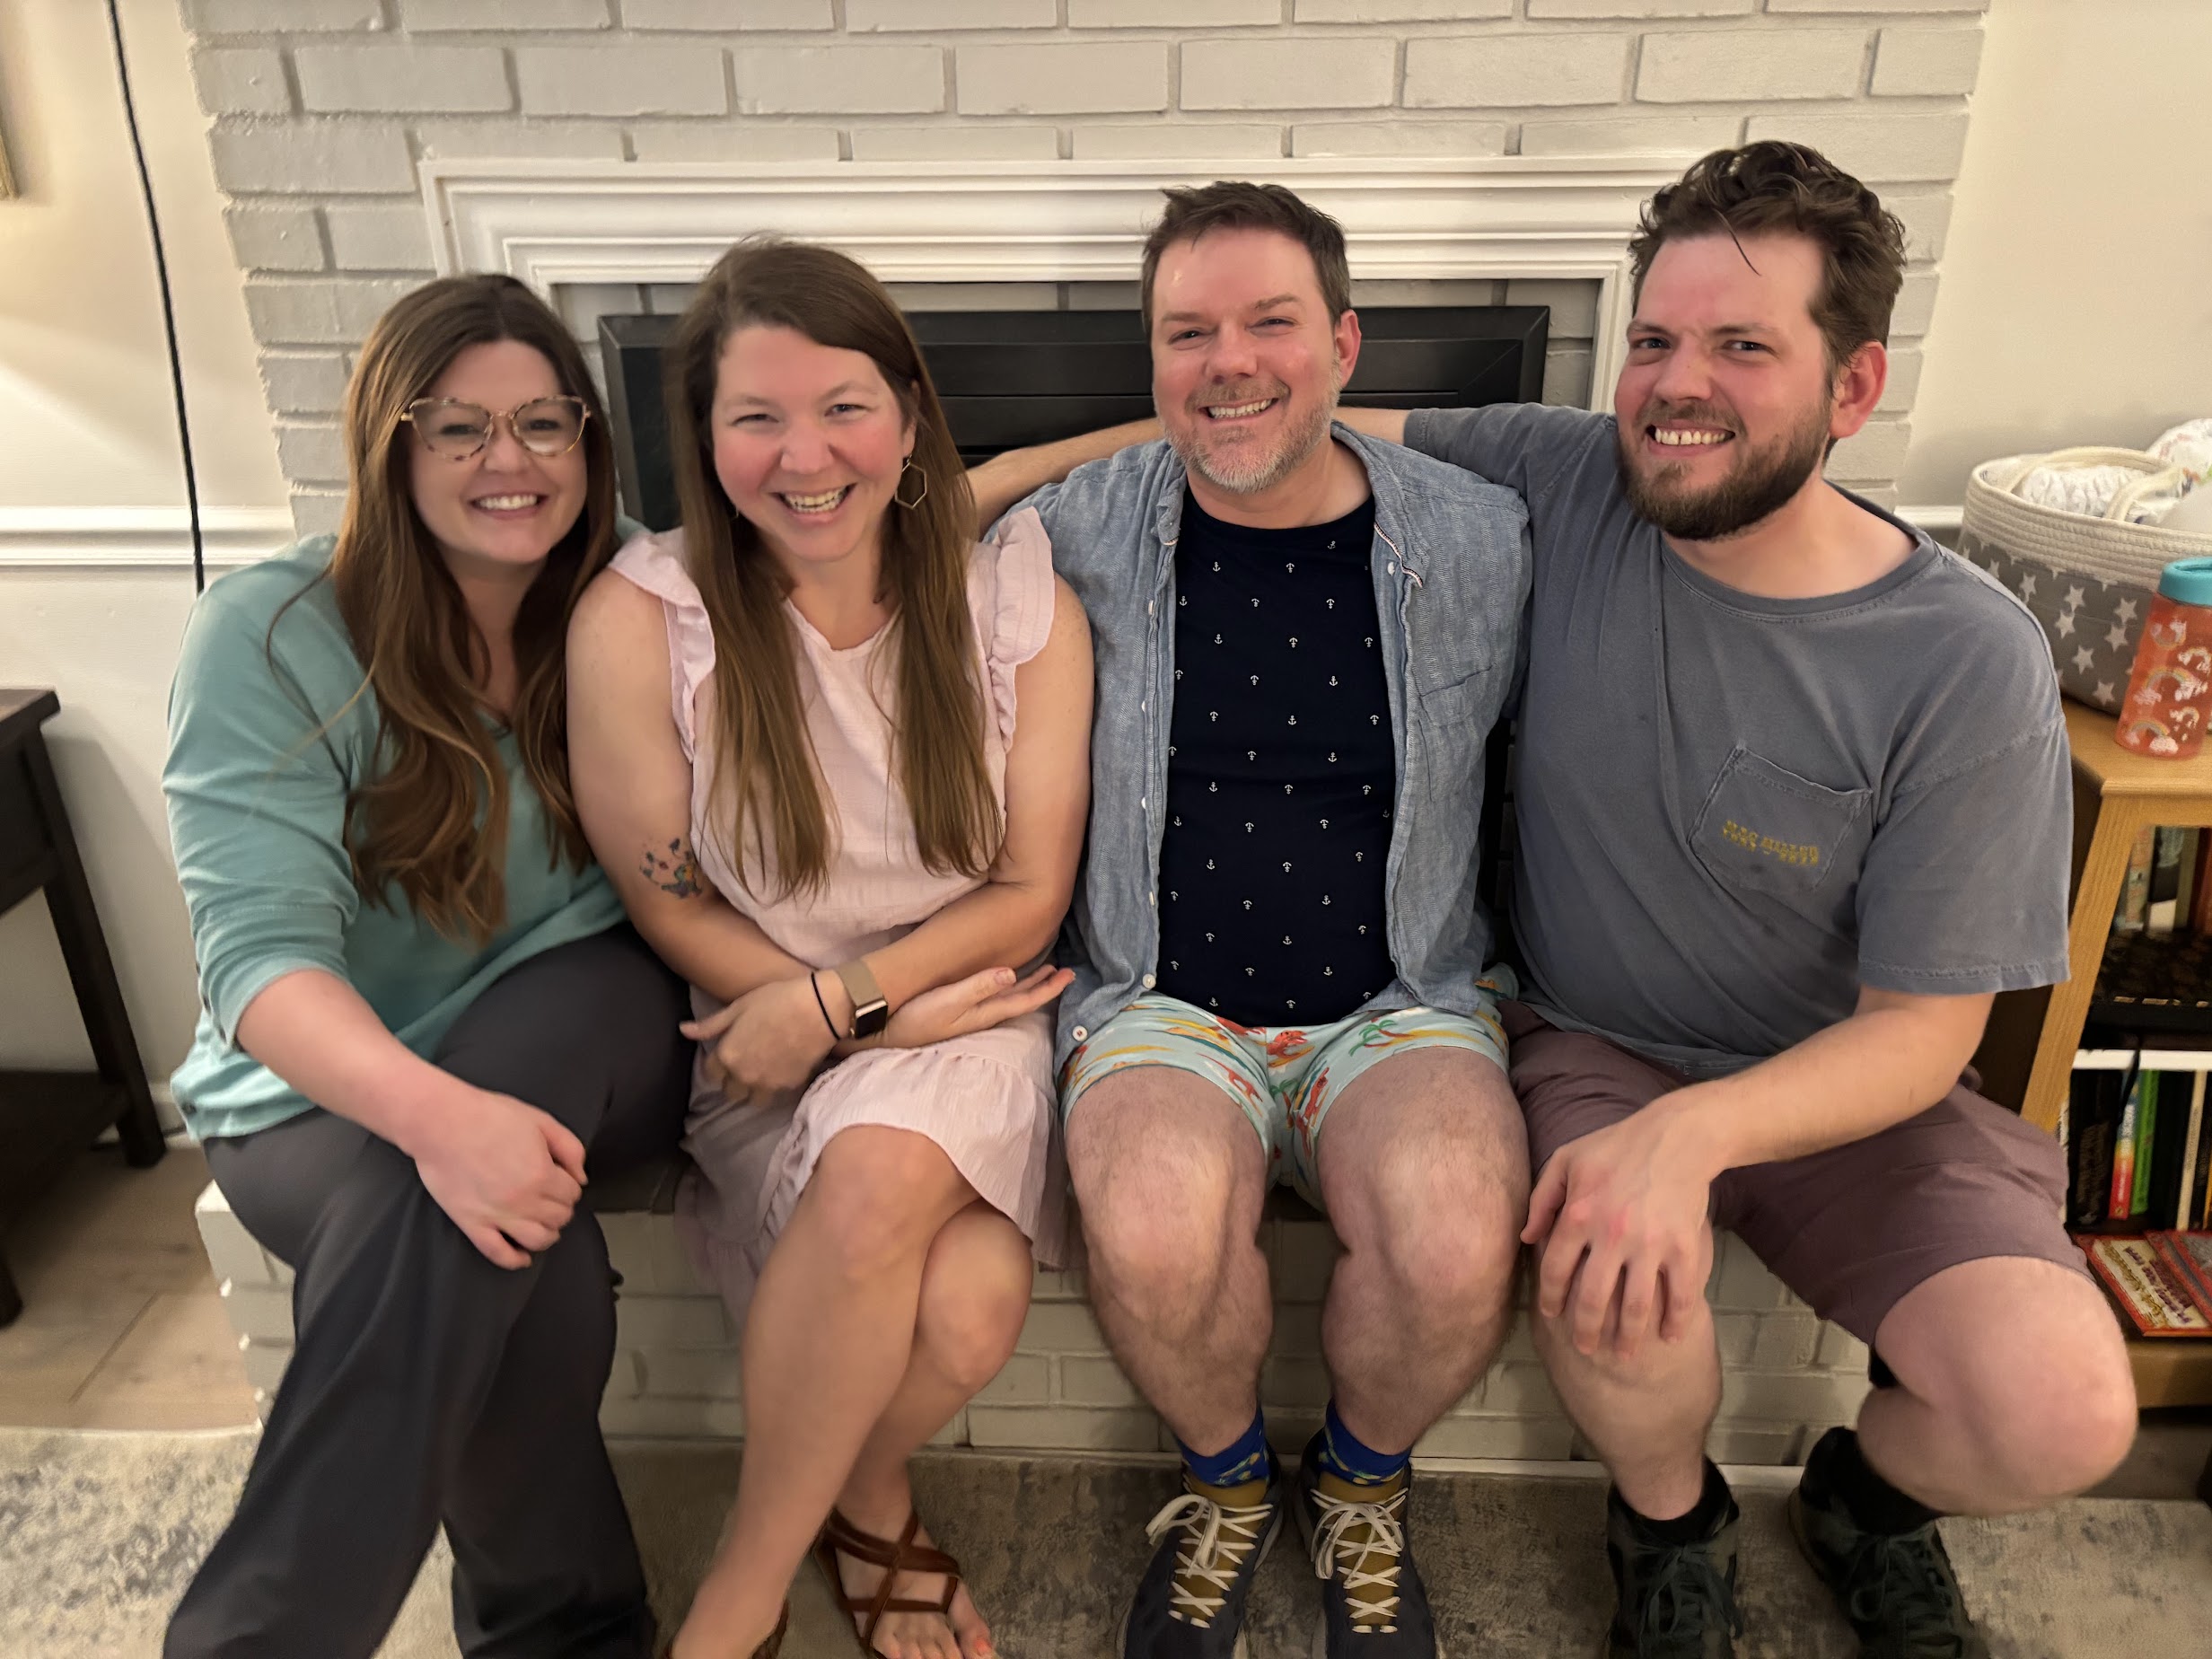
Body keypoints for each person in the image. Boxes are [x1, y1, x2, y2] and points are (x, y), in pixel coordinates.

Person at [1328, 142, 2135, 1658]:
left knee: (2063, 1408)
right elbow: (1272, 418)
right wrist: (987, 480)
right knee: (1615, 1277)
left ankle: (1861, 1500)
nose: (1674, 383)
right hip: (1596, 1040)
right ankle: (1670, 1520)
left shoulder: (1969, 658)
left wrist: (1697, 1136)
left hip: (1853, 1084)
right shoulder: (1567, 477)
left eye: (1743, 346)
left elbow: (1919, 1033)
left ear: (1853, 386)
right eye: (1654, 339)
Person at [973, 182, 1530, 1659]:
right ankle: (1225, 1485)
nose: (1231, 359)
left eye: (1272, 325)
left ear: (1344, 342)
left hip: (1399, 994)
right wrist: (1171, 430)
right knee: (1148, 1225)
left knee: (1461, 1235)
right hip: (1159, 996)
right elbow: (903, 512)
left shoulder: (1481, 539)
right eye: (1188, 336)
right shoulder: (1073, 530)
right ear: (1147, 365)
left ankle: (1358, 1483)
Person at [566, 238, 1093, 1659]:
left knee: (884, 1203)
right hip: (756, 1031)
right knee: (972, 1303)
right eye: (757, 418)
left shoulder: (1013, 601)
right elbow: (672, 906)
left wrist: (856, 1005)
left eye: (844, 406)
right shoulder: (643, 622)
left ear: (910, 416)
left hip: (968, 1002)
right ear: (707, 438)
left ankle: (738, 1596)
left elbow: (1030, 890)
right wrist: (833, 1018)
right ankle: (869, 1511)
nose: (806, 456)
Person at [162, 274, 693, 1659]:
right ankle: (569, 1634)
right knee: (517, 1250)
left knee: (541, 1062)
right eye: (458, 429)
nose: (508, 463)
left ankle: (259, 1637)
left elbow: (882, 521)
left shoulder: (637, 592)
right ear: (386, 446)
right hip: (320, 1094)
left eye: (541, 423)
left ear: (591, 438)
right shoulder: (274, 636)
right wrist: (439, 1119)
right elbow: (259, 960)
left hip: (596, 1019)